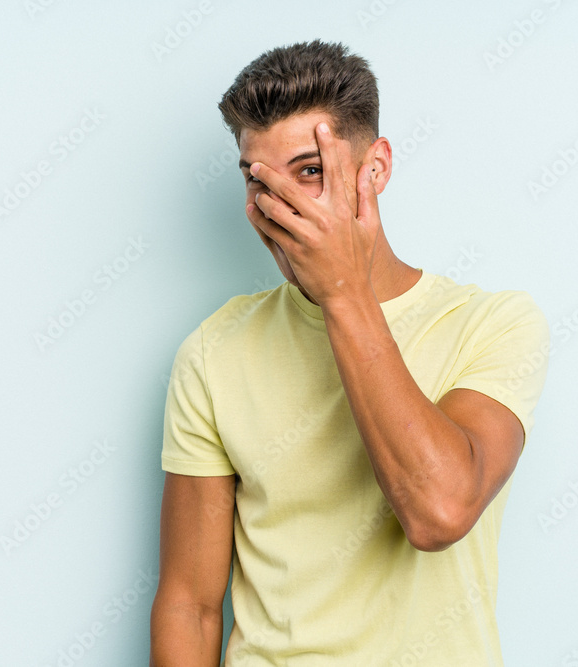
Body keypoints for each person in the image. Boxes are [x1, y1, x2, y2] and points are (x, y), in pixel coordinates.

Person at [150, 39, 550, 666]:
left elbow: (439, 512)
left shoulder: (493, 325)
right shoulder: (214, 351)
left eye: (310, 172)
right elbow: (190, 604)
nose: (282, 209)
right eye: (259, 182)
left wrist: (342, 291)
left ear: (377, 168)